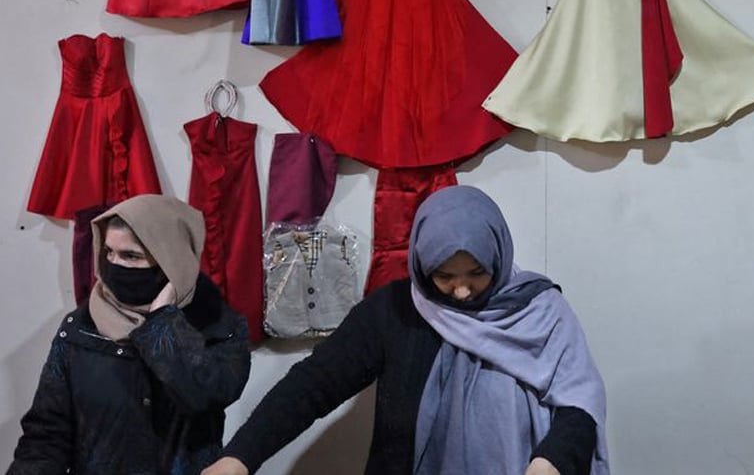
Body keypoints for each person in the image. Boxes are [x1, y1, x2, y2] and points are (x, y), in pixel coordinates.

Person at [203, 185, 609, 475]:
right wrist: (239, 457)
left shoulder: (540, 310)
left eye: (477, 273)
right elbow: (313, 385)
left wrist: (549, 463)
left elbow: (580, 405)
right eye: (444, 276)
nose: (462, 290)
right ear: (420, 264)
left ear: (499, 255)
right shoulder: (395, 310)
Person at [8, 194, 251, 475]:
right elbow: (46, 433)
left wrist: (162, 321)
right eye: (109, 252)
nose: (114, 264)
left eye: (131, 256)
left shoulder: (219, 327)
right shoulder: (81, 326)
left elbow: (203, 395)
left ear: (170, 261)